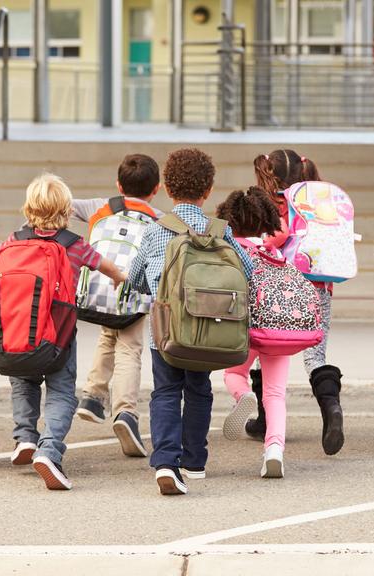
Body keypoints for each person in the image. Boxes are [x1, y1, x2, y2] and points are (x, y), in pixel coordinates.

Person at [128, 148, 255, 495]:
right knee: (198, 391)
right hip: (209, 329)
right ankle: (195, 461)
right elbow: (249, 273)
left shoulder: (157, 231)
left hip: (166, 332)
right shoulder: (220, 232)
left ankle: (166, 462)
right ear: (208, 189)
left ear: (167, 188)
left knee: (166, 392)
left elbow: (135, 277)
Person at [0, 173, 127, 490]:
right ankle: (49, 451)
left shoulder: (14, 240)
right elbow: (105, 265)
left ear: (28, 209)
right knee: (62, 394)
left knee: (24, 384)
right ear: (67, 212)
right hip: (58, 339)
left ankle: (25, 437)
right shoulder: (74, 245)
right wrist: (119, 277)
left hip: (20, 334)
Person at [250, 149, 344, 456]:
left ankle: (266, 419)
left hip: (280, 287)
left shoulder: (269, 205)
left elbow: (272, 238)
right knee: (315, 357)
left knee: (269, 348)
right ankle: (331, 408)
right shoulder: (317, 204)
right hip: (318, 285)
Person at [72, 153, 163, 458]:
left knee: (108, 334)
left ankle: (93, 395)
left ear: (118, 185)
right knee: (129, 350)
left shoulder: (100, 207)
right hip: (132, 293)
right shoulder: (159, 219)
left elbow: (64, 204)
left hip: (98, 290)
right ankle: (126, 413)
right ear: (156, 189)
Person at [216, 187, 293, 478]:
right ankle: (274, 450)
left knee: (234, 374)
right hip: (276, 331)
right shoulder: (273, 252)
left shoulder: (229, 249)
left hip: (241, 329)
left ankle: (244, 395)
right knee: (275, 394)